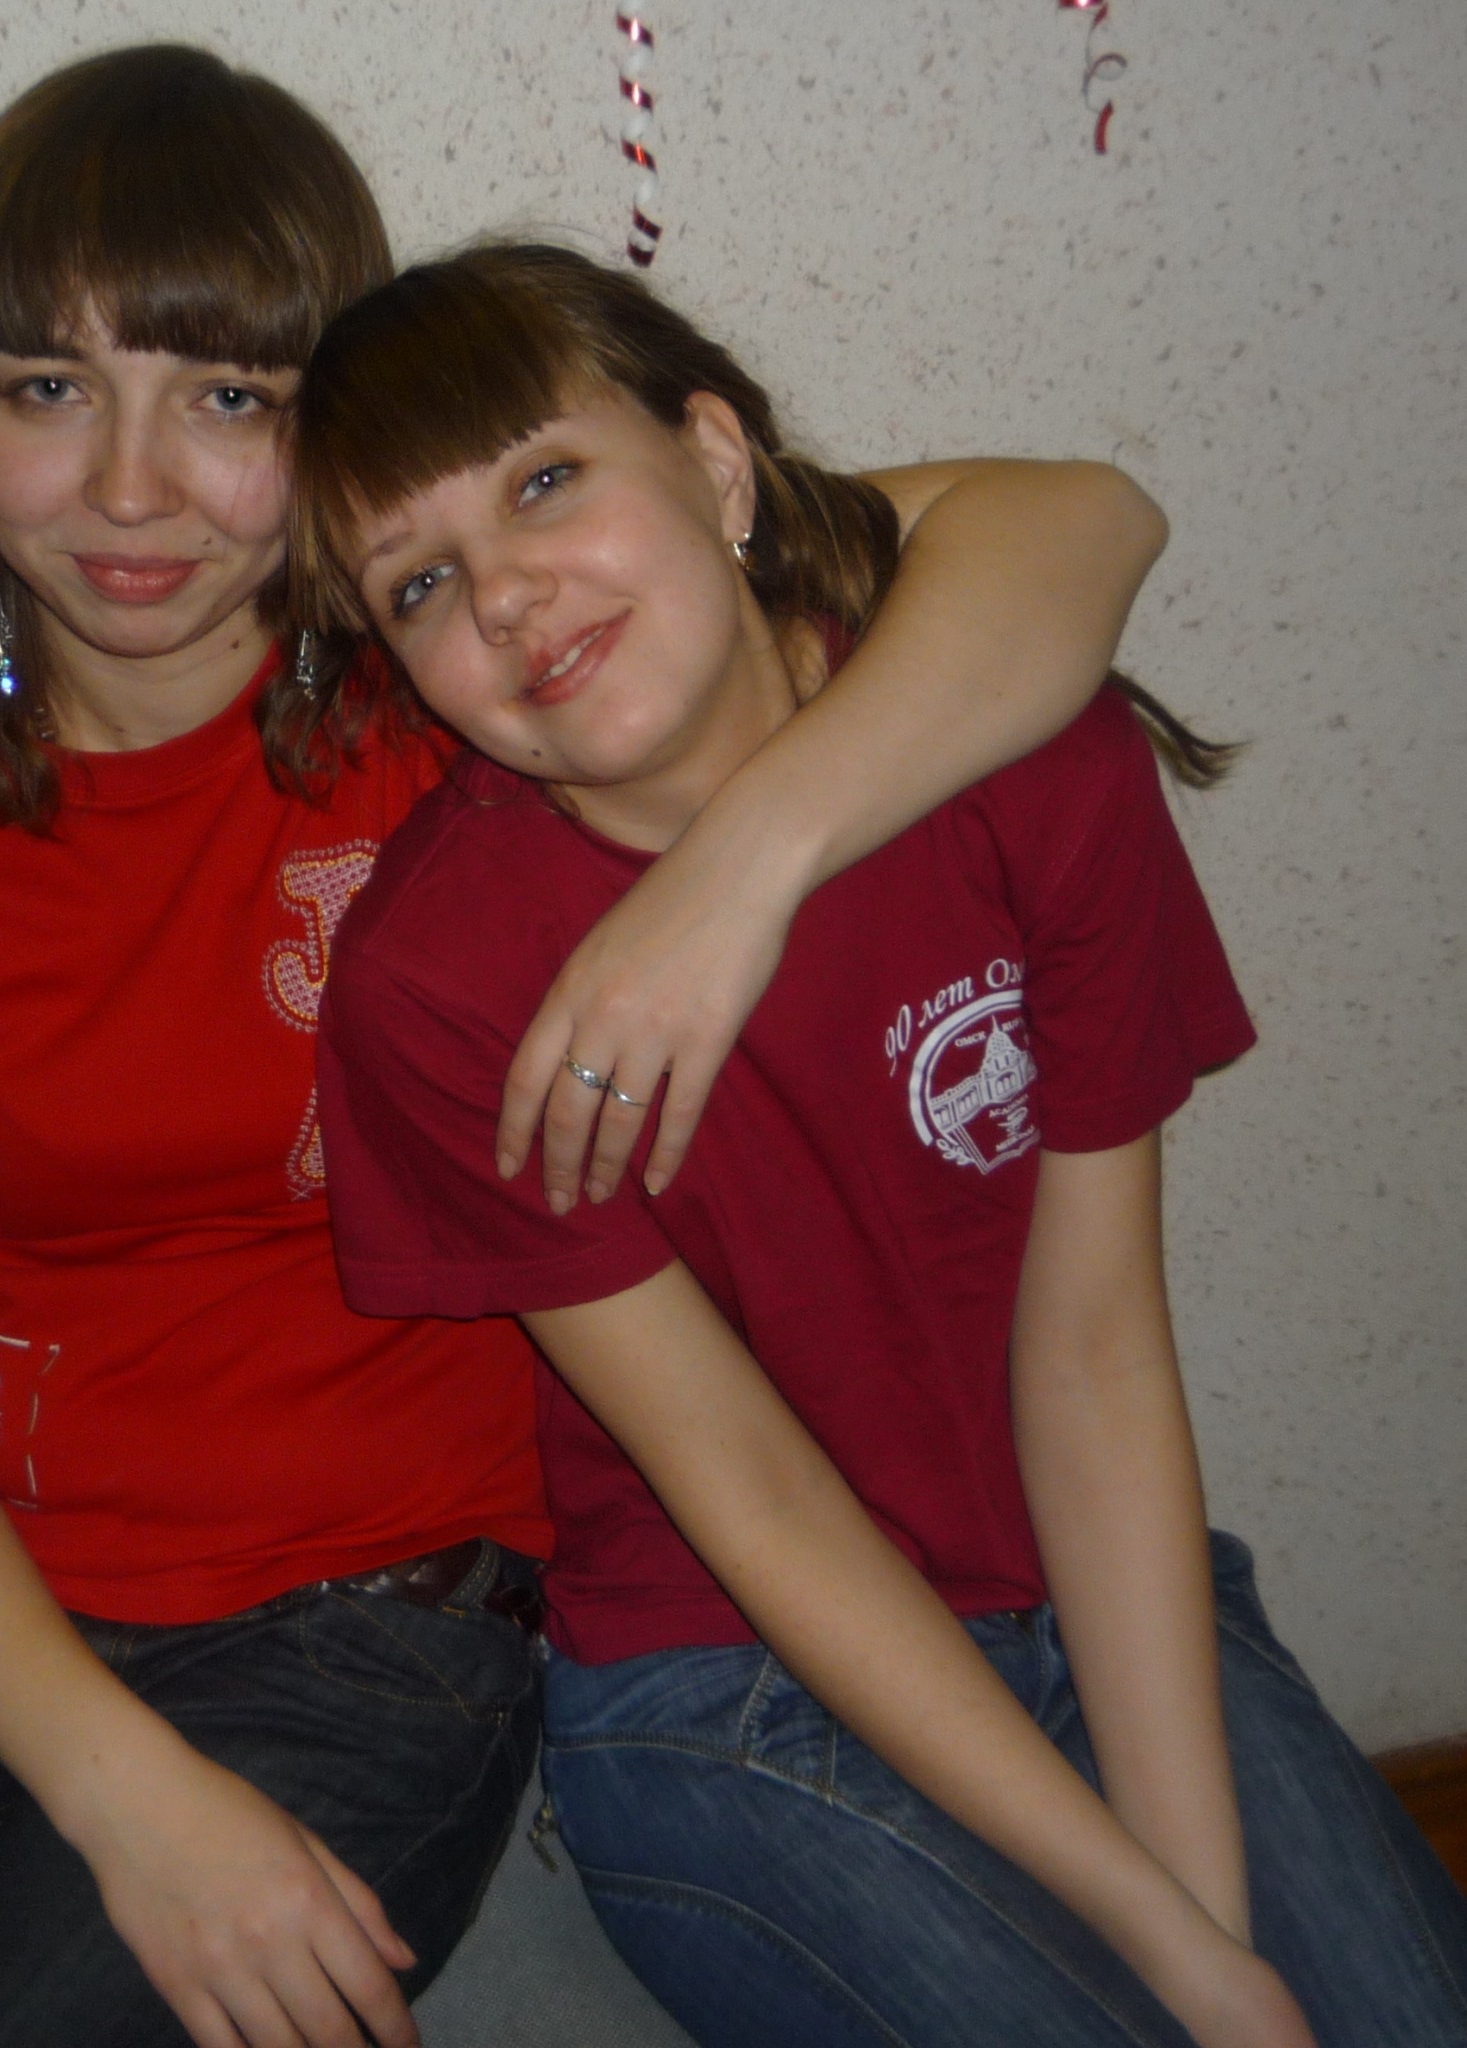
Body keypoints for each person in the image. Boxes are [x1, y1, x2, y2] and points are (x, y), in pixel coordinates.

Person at [0, 52, 1179, 2048]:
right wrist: (124, 1791)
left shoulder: (475, 681)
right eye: (46, 387)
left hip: (380, 1614)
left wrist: (739, 872)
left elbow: (1075, 524)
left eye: (227, 400)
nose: (127, 488)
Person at [294, 241, 1467, 2048]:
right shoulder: (438, 982)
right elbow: (745, 1488)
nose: (508, 596)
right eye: (423, 581)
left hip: (1085, 1585)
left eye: (544, 481)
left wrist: (1203, 1922)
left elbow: (1093, 1347)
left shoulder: (1031, 749)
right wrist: (1164, 1957)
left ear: (715, 460)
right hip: (731, 1679)